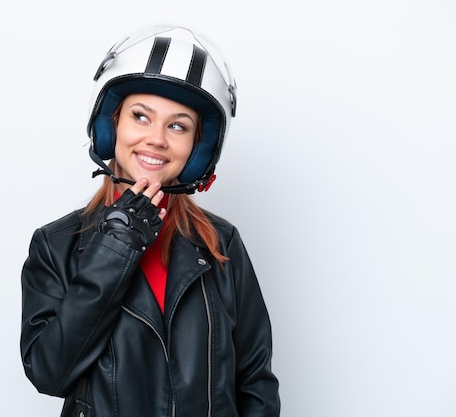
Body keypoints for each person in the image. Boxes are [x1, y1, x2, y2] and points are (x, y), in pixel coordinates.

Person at [20, 25, 280, 417]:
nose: (157, 138)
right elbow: (49, 374)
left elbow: (255, 381)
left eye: (178, 125)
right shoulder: (56, 244)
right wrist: (116, 247)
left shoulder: (222, 243)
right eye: (141, 117)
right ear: (112, 126)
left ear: (197, 149)